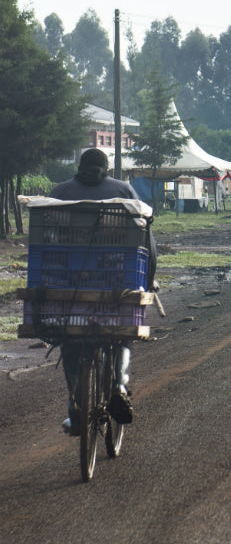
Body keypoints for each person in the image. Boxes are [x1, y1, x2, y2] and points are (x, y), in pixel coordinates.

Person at [50, 148, 156, 436]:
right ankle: (118, 387)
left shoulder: (59, 192)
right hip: (115, 281)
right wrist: (147, 279)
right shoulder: (122, 189)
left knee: (70, 341)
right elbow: (144, 233)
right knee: (121, 334)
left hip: (68, 286)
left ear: (79, 166)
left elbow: (47, 240)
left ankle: (75, 408)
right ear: (106, 168)